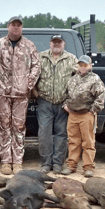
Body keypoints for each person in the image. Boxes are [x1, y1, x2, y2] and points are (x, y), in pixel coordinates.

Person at [0, 16, 40, 175]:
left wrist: (28, 84)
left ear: (21, 28)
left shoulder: (29, 45)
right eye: (13, 25)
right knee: (4, 127)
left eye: (18, 25)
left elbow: (36, 65)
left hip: (21, 95)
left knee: (18, 128)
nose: (16, 28)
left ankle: (17, 161)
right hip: (2, 93)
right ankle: (5, 161)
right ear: (8, 26)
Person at [35, 34, 78, 174]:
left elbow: (81, 79)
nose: (57, 44)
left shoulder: (71, 59)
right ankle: (46, 164)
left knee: (61, 134)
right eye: (54, 42)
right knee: (44, 134)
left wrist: (71, 101)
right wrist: (34, 92)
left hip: (63, 104)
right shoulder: (40, 57)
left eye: (59, 42)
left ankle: (58, 163)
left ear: (64, 44)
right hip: (45, 102)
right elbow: (31, 75)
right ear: (50, 43)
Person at [61, 55, 105, 178]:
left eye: (85, 65)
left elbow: (101, 95)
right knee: (73, 141)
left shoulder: (94, 79)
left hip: (87, 114)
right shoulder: (72, 79)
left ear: (90, 66)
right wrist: (65, 106)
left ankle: (88, 167)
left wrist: (92, 110)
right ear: (78, 66)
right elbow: (65, 94)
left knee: (88, 142)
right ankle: (71, 165)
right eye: (81, 65)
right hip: (72, 114)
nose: (83, 67)